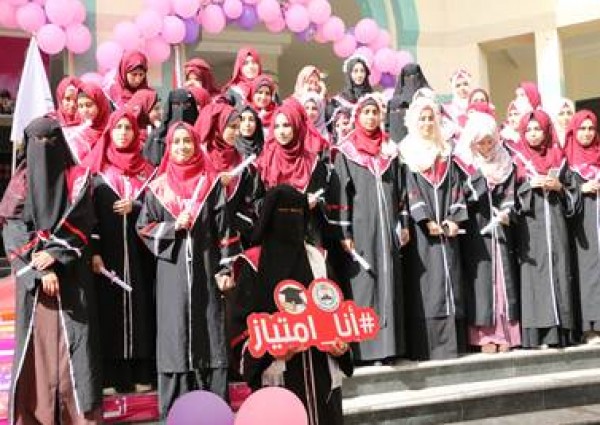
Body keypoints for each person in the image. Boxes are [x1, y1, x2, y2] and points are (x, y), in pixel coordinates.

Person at [136, 121, 241, 418]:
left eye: (188, 141)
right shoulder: (157, 189)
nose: (182, 147)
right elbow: (143, 228)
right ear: (169, 147)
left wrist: (225, 269)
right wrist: (173, 227)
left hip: (207, 273)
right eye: (177, 142)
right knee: (175, 337)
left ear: (196, 145)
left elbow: (225, 231)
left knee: (210, 333)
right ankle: (176, 413)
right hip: (173, 277)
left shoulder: (211, 185)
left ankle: (215, 411)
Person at [2, 117, 102, 424]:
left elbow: (82, 221)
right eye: (37, 142)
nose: (44, 148)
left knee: (76, 349)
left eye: (50, 141)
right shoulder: (19, 184)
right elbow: (13, 230)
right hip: (36, 289)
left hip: (73, 278)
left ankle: (78, 416)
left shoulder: (78, 179)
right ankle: (36, 415)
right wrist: (40, 270)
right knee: (38, 351)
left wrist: (55, 255)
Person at [231, 184, 353, 425]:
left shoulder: (319, 259)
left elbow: (339, 310)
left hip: (322, 377)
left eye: (297, 212)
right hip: (278, 377)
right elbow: (240, 328)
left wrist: (342, 346)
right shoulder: (253, 264)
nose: (291, 219)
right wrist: (269, 352)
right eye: (283, 212)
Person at [330, 94, 408, 363]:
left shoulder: (389, 150)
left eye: (375, 112)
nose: (371, 117)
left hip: (387, 229)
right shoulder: (346, 152)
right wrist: (345, 233)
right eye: (366, 112)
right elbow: (341, 194)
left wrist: (404, 223)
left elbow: (401, 190)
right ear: (357, 116)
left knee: (389, 281)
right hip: (361, 230)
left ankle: (390, 348)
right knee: (365, 284)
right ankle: (366, 349)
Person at [82, 109, 157, 394]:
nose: (123, 133)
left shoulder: (148, 172)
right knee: (110, 311)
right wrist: (94, 251)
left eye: (128, 128)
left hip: (141, 257)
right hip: (108, 255)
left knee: (141, 310)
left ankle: (140, 372)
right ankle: (112, 376)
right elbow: (89, 215)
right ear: (110, 132)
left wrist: (135, 207)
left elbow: (157, 209)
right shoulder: (98, 172)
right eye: (118, 128)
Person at [400, 96, 468, 360]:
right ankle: (428, 347)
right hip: (422, 234)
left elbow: (456, 188)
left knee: (450, 280)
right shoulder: (406, 153)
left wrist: (453, 219)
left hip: (447, 232)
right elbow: (409, 191)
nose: (427, 123)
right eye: (422, 119)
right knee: (428, 285)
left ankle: (453, 344)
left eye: (431, 118)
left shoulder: (445, 153)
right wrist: (426, 220)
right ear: (414, 122)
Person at [455, 112, 521, 353]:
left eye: (489, 141)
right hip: (476, 229)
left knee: (503, 280)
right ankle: (483, 337)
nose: (485, 147)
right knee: (481, 281)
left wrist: (506, 211)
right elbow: (459, 195)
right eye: (480, 142)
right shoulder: (463, 163)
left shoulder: (505, 161)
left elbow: (511, 193)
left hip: (500, 229)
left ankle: (506, 334)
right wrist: (479, 180)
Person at [512, 110, 579, 349]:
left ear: (546, 131)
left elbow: (574, 196)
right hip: (531, 229)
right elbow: (509, 197)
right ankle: (537, 334)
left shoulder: (559, 158)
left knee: (559, 270)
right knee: (535, 275)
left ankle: (561, 332)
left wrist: (559, 187)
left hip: (557, 226)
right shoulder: (518, 160)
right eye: (529, 130)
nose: (533, 134)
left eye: (538, 129)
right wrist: (529, 186)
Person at [256, 99, 329, 246]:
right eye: (277, 126)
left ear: (296, 125)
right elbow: (256, 200)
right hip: (274, 235)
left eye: (286, 125)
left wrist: (315, 202)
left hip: (307, 235)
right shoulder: (265, 161)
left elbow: (324, 196)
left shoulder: (313, 162)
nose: (281, 132)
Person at [197, 103, 265, 247]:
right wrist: (215, 183)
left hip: (231, 237)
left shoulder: (242, 162)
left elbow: (250, 201)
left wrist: (236, 224)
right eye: (233, 127)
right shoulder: (199, 159)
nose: (238, 133)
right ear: (217, 126)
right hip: (202, 237)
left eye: (238, 127)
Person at [563, 110, 600, 343]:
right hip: (582, 228)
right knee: (587, 273)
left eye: (591, 129)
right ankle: (589, 327)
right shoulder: (567, 162)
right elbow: (561, 195)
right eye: (582, 129)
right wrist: (581, 189)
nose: (587, 133)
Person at [143, 88, 199, 166]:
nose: (181, 110)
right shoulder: (157, 137)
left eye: (187, 105)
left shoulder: (200, 135)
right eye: (176, 105)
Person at [64, 82, 111, 163]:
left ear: (100, 104)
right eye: (80, 106)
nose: (84, 110)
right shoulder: (77, 133)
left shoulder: (114, 129)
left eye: (89, 105)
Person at [386, 62, 430, 143]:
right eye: (408, 76)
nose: (412, 79)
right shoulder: (396, 98)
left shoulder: (427, 95)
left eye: (414, 76)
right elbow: (388, 123)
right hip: (401, 139)